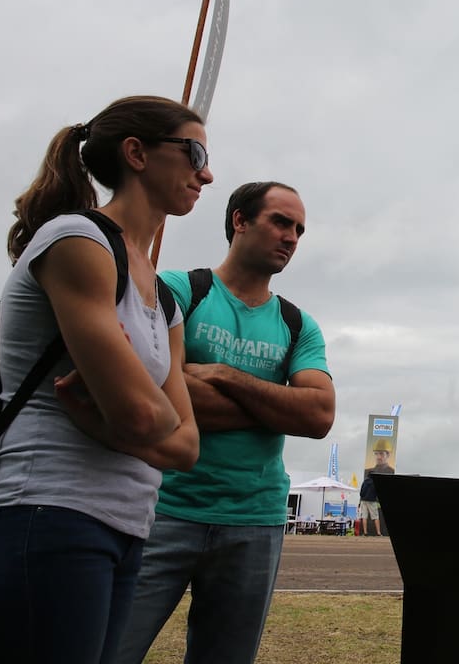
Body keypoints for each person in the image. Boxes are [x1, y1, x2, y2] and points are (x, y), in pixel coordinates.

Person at [0, 96, 208, 661]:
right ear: (136, 154)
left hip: (127, 528)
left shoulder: (167, 298)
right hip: (46, 512)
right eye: (194, 151)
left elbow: (186, 446)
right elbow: (147, 418)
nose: (207, 172)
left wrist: (106, 424)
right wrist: (139, 420)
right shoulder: (76, 240)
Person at [114, 182, 335, 664]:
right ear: (239, 220)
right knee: (112, 649)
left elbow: (318, 415)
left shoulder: (298, 324)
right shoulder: (175, 289)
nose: (292, 237)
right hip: (161, 509)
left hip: (255, 521)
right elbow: (146, 388)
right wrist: (272, 408)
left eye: (299, 229)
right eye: (280, 221)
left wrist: (220, 375)